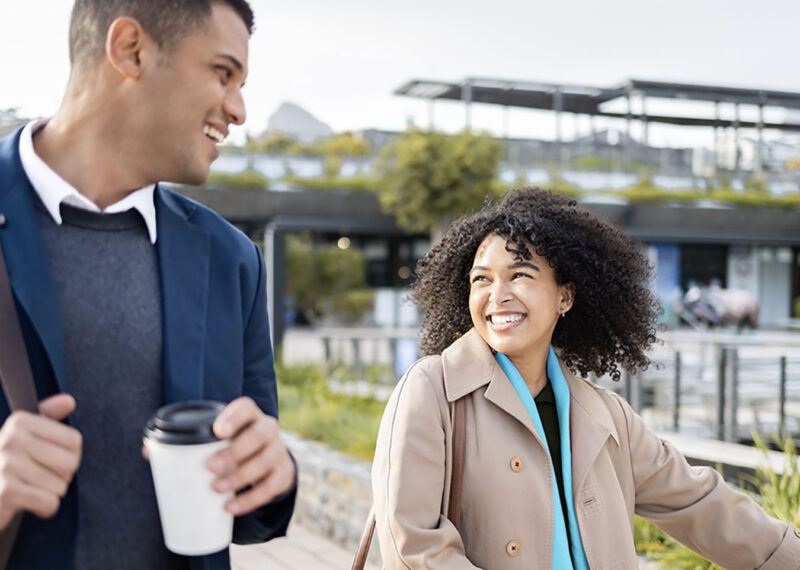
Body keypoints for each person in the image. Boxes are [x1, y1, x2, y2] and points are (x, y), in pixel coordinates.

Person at [0, 1, 296, 568]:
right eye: (223, 73)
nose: (238, 110)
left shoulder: (233, 261)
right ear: (130, 50)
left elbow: (252, 505)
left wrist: (272, 474)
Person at [371, 187, 800, 569]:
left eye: (519, 275)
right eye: (481, 279)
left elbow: (701, 503)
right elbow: (413, 548)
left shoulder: (606, 415)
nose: (497, 295)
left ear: (565, 296)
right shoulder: (434, 391)